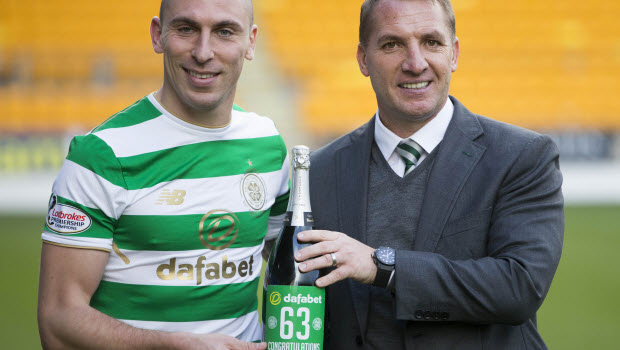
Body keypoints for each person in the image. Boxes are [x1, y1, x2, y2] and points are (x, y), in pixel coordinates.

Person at [295, 0, 564, 349]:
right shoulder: (319, 170)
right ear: (363, 59)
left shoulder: (521, 156)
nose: (415, 63)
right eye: (392, 44)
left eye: (431, 42)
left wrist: (382, 266)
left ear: (453, 53)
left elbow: (519, 287)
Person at [37, 0, 289, 349]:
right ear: (158, 35)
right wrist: (171, 345)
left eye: (224, 31)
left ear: (251, 42)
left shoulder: (268, 145)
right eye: (185, 29)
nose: (203, 52)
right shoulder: (102, 155)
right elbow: (58, 320)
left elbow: (286, 264)